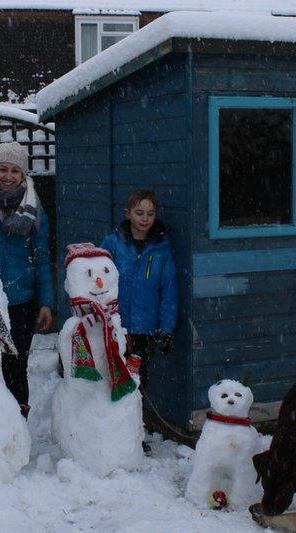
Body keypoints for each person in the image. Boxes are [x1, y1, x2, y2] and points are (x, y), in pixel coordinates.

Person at [0, 141, 54, 418]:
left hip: (22, 301)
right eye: (2, 169)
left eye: (15, 171)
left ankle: (17, 421)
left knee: (15, 363)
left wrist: (46, 302)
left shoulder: (34, 210)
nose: (8, 176)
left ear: (23, 176)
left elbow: (43, 258)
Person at [100, 188, 177, 455]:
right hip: (117, 326)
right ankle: (110, 430)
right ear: (128, 213)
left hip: (144, 329)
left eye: (150, 214)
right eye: (139, 213)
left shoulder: (162, 249)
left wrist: (166, 329)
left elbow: (169, 293)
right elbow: (97, 280)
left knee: (137, 383)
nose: (145, 219)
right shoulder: (112, 244)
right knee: (112, 377)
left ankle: (134, 433)